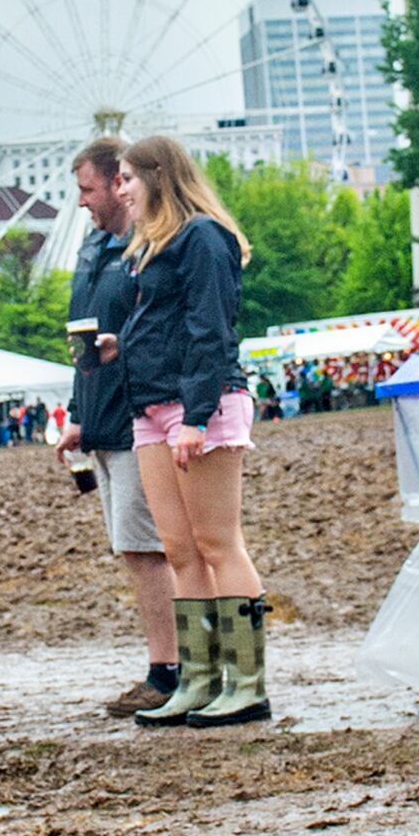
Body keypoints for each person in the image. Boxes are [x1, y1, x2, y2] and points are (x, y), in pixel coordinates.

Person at [119, 135, 273, 728]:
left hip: (198, 405)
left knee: (218, 542)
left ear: (158, 176)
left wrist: (198, 416)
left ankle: (247, 684)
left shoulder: (203, 237)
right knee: (180, 550)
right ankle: (199, 680)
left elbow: (212, 330)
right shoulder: (150, 247)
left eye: (129, 178)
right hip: (152, 408)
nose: (123, 189)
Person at [56, 137, 179, 715]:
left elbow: (146, 335)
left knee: (147, 547)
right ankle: (171, 664)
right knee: (136, 548)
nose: (81, 201)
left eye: (87, 188)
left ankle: (170, 669)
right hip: (104, 419)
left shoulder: (146, 247)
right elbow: (88, 340)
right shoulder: (93, 250)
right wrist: (79, 415)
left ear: (116, 183)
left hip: (138, 418)